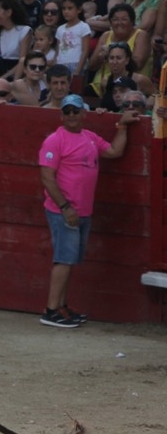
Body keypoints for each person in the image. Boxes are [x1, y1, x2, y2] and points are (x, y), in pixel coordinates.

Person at [36, 93, 135, 327]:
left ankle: (61, 306)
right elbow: (47, 177)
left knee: (69, 260)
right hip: (64, 210)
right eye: (67, 112)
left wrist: (122, 126)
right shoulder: (55, 140)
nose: (71, 115)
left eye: (75, 111)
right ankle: (51, 311)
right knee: (64, 259)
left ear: (83, 114)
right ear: (62, 116)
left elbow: (114, 152)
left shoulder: (89, 137)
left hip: (81, 210)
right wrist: (65, 207)